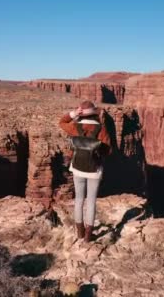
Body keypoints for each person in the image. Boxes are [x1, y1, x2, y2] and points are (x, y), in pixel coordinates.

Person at [59, 100, 112, 242]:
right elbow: (108, 150)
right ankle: (88, 235)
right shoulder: (101, 129)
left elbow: (62, 122)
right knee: (91, 201)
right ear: (94, 113)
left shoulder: (75, 126)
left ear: (81, 113)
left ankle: (80, 232)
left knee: (79, 199)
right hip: (94, 169)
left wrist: (73, 114)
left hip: (77, 168)